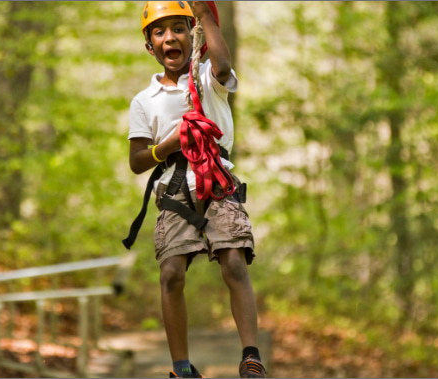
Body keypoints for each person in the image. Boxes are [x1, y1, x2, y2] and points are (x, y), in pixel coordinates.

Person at [126, 1, 266, 378]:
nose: (170, 36)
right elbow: (138, 159)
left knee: (234, 259)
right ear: (149, 46)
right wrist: (168, 144)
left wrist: (205, 14)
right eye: (159, 32)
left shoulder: (206, 78)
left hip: (218, 182)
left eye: (178, 28)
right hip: (174, 190)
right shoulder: (144, 101)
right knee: (171, 273)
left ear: (193, 37)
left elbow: (222, 66)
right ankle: (181, 368)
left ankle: (251, 356)